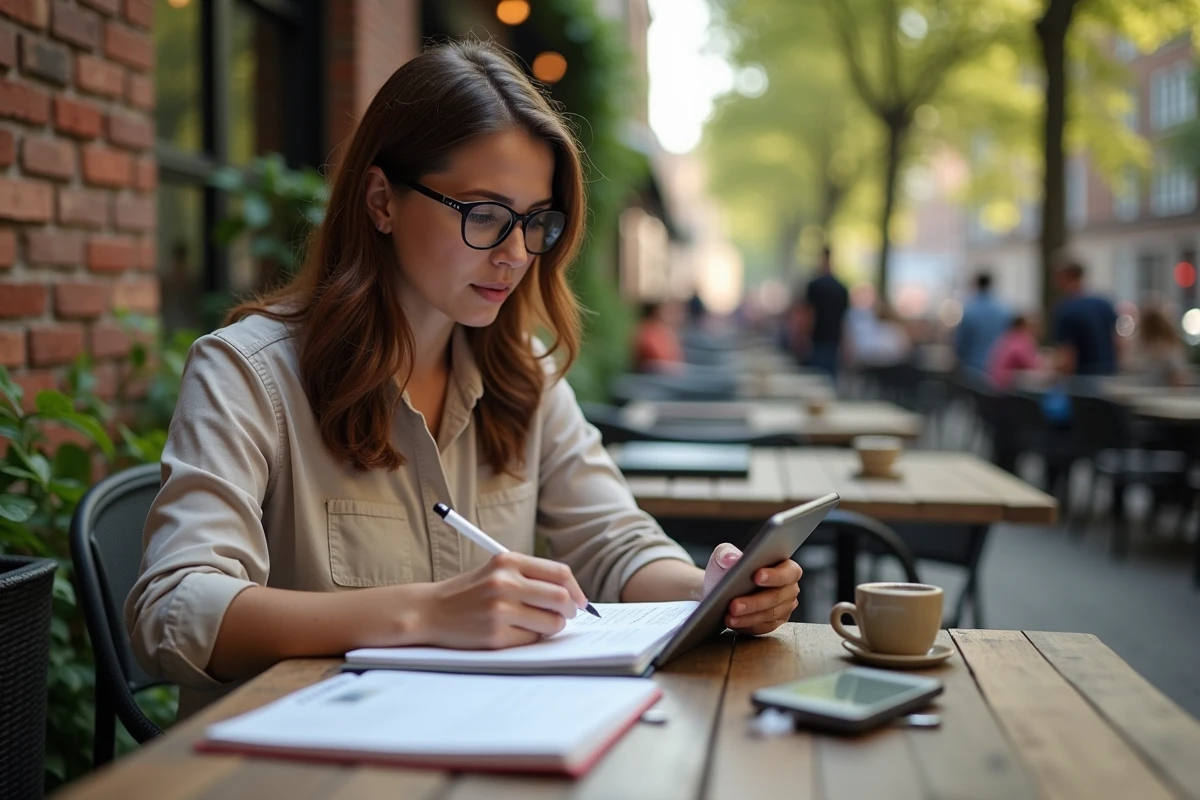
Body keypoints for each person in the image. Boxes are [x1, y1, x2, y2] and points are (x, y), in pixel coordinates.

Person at [125, 41, 802, 718]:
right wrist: (424, 611)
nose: (514, 255)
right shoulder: (249, 373)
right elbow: (174, 612)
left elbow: (615, 544)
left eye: (535, 222)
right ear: (383, 200)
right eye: (484, 215)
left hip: (485, 747)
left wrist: (710, 593)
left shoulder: (523, 376)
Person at [1051, 258, 1118, 377]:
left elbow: (1068, 357)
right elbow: (1118, 343)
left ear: (1065, 276)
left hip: (1082, 382)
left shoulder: (1066, 310)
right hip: (1108, 377)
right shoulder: (1105, 303)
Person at [790, 247, 849, 377]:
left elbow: (808, 315)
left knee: (814, 378)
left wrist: (801, 338)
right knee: (829, 380)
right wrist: (846, 346)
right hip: (833, 341)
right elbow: (844, 320)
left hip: (817, 341)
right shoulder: (841, 288)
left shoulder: (814, 286)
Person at [954, 272, 1010, 376]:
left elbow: (960, 346)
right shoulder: (1005, 311)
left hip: (973, 370)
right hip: (998, 371)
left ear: (976, 285)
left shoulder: (970, 311)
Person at [1129, 306, 1189, 386]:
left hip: (1160, 394)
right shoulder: (1171, 347)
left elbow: (1178, 377)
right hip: (1156, 394)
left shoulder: (1168, 348)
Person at [987, 315, 1041, 390]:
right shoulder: (1021, 340)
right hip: (1004, 389)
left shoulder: (1008, 337)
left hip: (994, 384)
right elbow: (1031, 365)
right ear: (1024, 325)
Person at [632, 300, 685, 373]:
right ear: (655, 312)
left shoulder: (658, 330)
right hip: (660, 378)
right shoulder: (649, 332)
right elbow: (660, 359)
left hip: (667, 376)